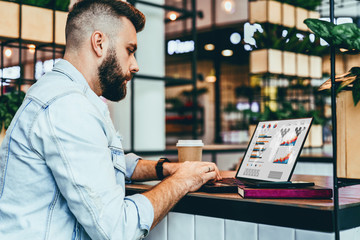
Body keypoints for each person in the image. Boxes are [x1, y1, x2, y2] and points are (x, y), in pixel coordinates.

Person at [0, 0, 221, 239]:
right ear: (99, 43)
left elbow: (103, 159)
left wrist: (164, 168)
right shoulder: (69, 107)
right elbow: (117, 230)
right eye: (130, 50)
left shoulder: (66, 95)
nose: (135, 65)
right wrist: (183, 181)